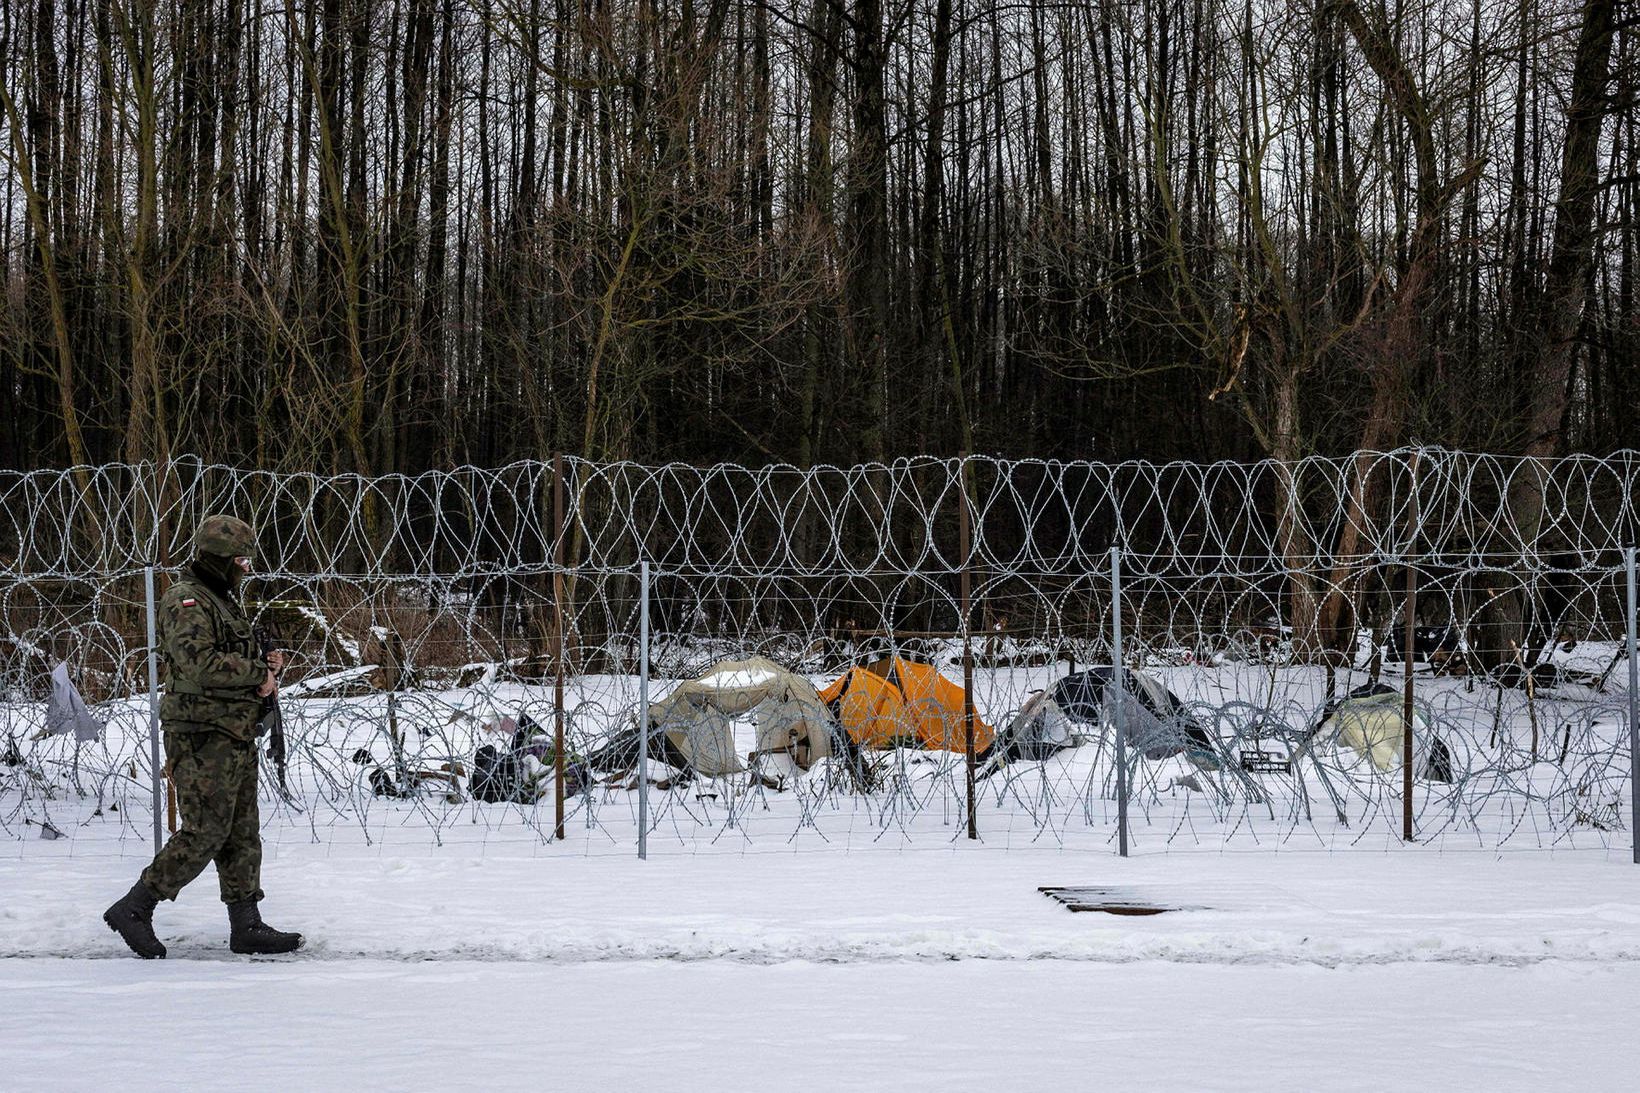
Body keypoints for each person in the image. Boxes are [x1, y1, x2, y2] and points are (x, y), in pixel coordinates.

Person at [103, 515, 303, 959]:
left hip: (232, 729)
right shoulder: (186, 600)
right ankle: (135, 907)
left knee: (241, 831)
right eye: (239, 560)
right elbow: (199, 664)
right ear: (217, 560)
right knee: (206, 831)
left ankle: (246, 924)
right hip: (200, 733)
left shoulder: (221, 599)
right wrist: (258, 674)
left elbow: (227, 654)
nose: (245, 568)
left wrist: (264, 661)